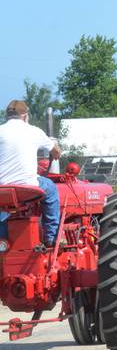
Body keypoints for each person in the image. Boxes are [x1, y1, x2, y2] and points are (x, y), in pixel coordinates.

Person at [0, 100, 62, 246]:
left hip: (3, 189)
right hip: (27, 187)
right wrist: (55, 152)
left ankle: (4, 241)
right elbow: (57, 152)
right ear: (25, 116)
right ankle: (50, 237)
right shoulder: (34, 131)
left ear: (7, 116)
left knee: (4, 207)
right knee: (51, 188)